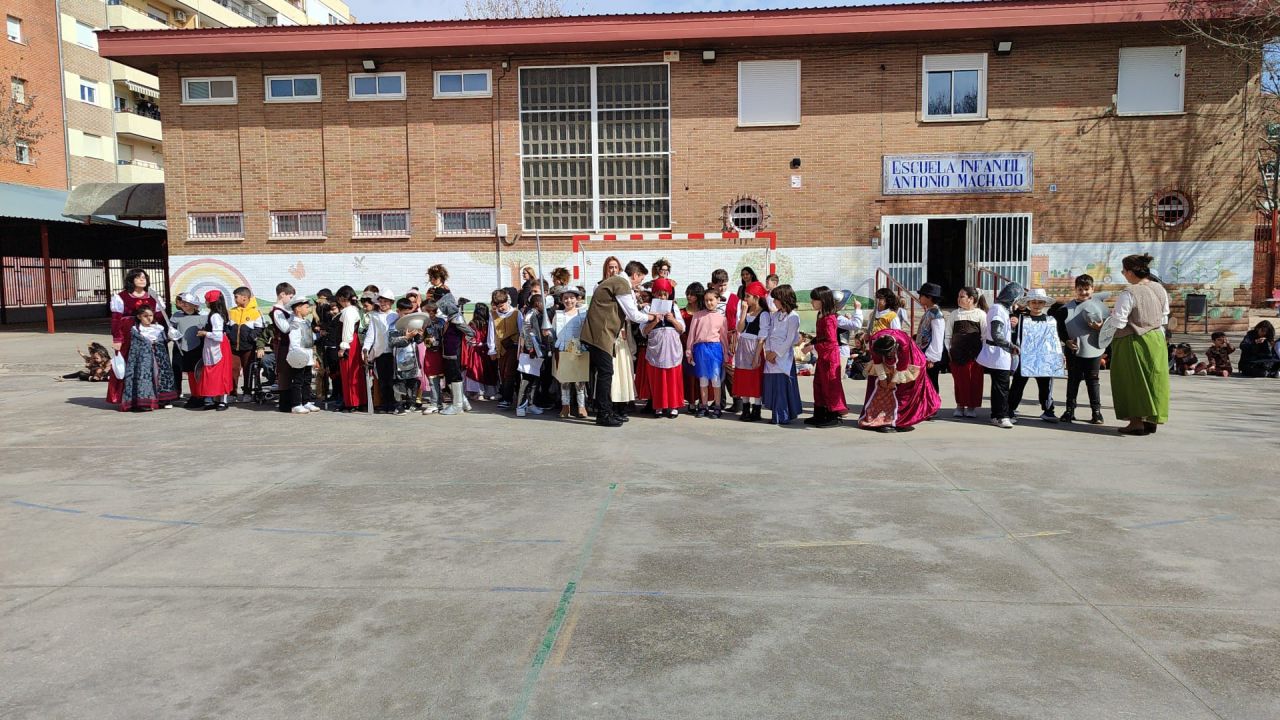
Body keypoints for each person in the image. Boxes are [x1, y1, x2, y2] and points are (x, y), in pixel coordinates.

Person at [582, 260, 653, 427]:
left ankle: (607, 411)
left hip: (600, 334)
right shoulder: (621, 284)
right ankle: (603, 414)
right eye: (640, 279)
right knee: (606, 373)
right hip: (600, 335)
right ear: (635, 275)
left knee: (606, 373)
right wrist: (651, 316)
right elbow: (633, 315)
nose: (639, 283)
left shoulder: (615, 282)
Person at [1105, 253, 1170, 436]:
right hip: (1157, 338)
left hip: (1133, 340)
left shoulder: (1129, 292)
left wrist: (1104, 326)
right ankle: (1152, 420)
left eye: (1124, 270)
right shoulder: (1159, 289)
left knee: (1132, 381)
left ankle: (1136, 422)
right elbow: (1164, 315)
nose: (1123, 274)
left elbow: (1118, 321)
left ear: (1131, 272)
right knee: (1154, 379)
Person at [857, 329, 941, 432]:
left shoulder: (903, 343)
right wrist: (883, 378)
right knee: (877, 384)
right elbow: (877, 361)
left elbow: (902, 366)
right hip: (888, 356)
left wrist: (892, 382)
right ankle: (879, 418)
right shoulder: (874, 341)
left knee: (904, 388)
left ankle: (899, 420)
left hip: (910, 358)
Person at [107, 268, 168, 408]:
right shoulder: (121, 297)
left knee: (152, 366)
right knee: (129, 366)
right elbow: (116, 320)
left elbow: (160, 318)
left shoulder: (153, 297)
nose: (142, 279)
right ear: (131, 280)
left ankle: (150, 397)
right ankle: (130, 399)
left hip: (149, 337)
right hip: (128, 336)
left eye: (144, 277)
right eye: (138, 277)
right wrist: (117, 339)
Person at [1008, 288, 1060, 423]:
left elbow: (1054, 339)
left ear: (1044, 304)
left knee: (1046, 385)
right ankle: (1009, 409)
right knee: (1018, 384)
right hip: (1024, 357)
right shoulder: (1021, 319)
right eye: (1033, 302)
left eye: (1040, 302)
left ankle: (1048, 410)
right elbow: (1014, 335)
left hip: (1044, 358)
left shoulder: (1050, 320)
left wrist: (1058, 355)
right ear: (1028, 303)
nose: (1037, 305)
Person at [1059, 274, 1106, 424]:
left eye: (1087, 289)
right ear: (1075, 289)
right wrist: (1066, 341)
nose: (1083, 292)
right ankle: (1069, 410)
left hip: (1094, 349)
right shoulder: (1065, 309)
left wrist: (1101, 328)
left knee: (1093, 380)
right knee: (1073, 380)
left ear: (1092, 289)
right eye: (1080, 289)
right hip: (1074, 350)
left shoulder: (1101, 308)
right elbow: (1060, 329)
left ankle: (1096, 412)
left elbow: (1110, 329)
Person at [978, 282, 1023, 429]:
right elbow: (997, 334)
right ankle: (1001, 416)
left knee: (1000, 385)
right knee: (1002, 386)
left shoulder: (1001, 309)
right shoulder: (998, 310)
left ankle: (998, 414)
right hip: (998, 353)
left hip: (999, 352)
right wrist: (1011, 347)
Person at [118, 305, 178, 412]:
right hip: (144, 360)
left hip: (159, 358)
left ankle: (164, 400)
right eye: (145, 316)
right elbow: (135, 347)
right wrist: (148, 344)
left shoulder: (159, 328)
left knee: (161, 376)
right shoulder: (136, 330)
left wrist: (170, 336)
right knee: (144, 378)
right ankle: (144, 401)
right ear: (139, 316)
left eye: (151, 315)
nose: (149, 318)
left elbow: (164, 341)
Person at [643, 278, 686, 419]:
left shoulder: (674, 308)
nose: (662, 297)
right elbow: (644, 331)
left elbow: (682, 329)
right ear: (654, 294)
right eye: (659, 294)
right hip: (657, 347)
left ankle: (674, 406)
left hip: (672, 348)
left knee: (673, 377)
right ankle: (659, 406)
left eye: (664, 294)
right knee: (658, 378)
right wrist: (654, 320)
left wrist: (673, 319)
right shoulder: (648, 308)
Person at [686, 286, 731, 418]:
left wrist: (726, 354)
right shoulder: (697, 316)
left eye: (711, 300)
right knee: (703, 380)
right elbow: (691, 335)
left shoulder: (721, 318)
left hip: (715, 349)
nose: (709, 303)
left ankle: (717, 406)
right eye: (706, 300)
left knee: (716, 379)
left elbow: (723, 338)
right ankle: (704, 405)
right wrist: (689, 351)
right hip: (700, 349)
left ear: (718, 300)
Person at [806, 285, 847, 428]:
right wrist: (812, 342)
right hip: (823, 357)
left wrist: (813, 346)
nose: (812, 302)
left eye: (814, 300)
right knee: (819, 383)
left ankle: (834, 415)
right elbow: (821, 337)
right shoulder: (821, 315)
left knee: (831, 385)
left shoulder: (830, 318)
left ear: (822, 300)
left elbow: (830, 342)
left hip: (830, 357)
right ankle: (820, 413)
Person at [762, 285, 802, 425]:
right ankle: (775, 414)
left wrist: (776, 354)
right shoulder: (775, 315)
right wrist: (767, 352)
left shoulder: (793, 317)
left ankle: (782, 415)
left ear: (784, 299)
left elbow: (790, 339)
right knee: (773, 386)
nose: (774, 302)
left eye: (776, 299)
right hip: (770, 356)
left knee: (782, 387)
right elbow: (768, 334)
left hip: (783, 357)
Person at [948, 286, 987, 418]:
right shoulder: (955, 314)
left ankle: (971, 407)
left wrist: (982, 353)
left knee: (974, 381)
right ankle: (960, 405)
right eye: (958, 296)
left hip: (975, 355)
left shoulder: (980, 314)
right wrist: (949, 350)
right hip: (957, 354)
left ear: (971, 299)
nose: (959, 299)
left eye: (962, 296)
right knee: (959, 381)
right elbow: (948, 335)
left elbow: (985, 336)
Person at [437, 290, 477, 416]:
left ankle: (457, 405)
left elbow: (470, 332)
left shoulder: (455, 317)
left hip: (454, 352)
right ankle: (463, 402)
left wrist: (469, 339)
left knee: (455, 377)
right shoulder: (451, 317)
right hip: (449, 352)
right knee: (451, 377)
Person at [553, 286, 590, 418]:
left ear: (577, 299)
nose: (569, 300)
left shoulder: (582, 314)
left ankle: (581, 406)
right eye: (566, 298)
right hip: (563, 348)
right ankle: (565, 406)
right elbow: (552, 331)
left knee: (579, 380)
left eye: (572, 297)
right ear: (562, 300)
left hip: (577, 347)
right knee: (564, 380)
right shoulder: (558, 315)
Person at [733, 281, 768, 422]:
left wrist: (757, 356)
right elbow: (740, 329)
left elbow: (762, 337)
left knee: (755, 378)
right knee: (744, 378)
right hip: (742, 348)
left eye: (748, 296)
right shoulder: (746, 312)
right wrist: (743, 313)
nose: (745, 299)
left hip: (754, 348)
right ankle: (746, 407)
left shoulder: (764, 315)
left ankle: (757, 409)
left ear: (757, 297)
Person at [193, 290, 234, 410]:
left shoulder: (215, 316)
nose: (205, 302)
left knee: (219, 372)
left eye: (207, 300)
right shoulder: (219, 314)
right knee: (218, 372)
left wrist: (204, 333)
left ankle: (223, 400)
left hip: (218, 347)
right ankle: (218, 399)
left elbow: (218, 335)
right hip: (215, 346)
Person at [387, 297, 424, 416]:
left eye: (410, 313)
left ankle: (410, 403)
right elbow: (392, 342)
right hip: (399, 360)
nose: (408, 316)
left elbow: (418, 341)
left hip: (412, 358)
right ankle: (399, 405)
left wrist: (420, 335)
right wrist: (406, 337)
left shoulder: (413, 324)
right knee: (399, 383)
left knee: (412, 382)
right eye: (405, 313)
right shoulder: (394, 326)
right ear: (398, 311)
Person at [227, 286, 265, 403]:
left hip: (248, 347)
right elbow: (227, 327)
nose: (234, 299)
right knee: (233, 370)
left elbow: (259, 328)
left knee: (248, 370)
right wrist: (229, 336)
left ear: (244, 298)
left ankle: (247, 392)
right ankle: (232, 393)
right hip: (233, 347)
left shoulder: (255, 312)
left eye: (236, 297)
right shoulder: (231, 311)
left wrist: (250, 337)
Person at [168, 291, 205, 406]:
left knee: (197, 372)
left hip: (197, 348)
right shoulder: (176, 316)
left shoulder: (203, 317)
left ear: (195, 305)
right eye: (183, 302)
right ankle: (193, 394)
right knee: (187, 373)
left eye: (187, 303)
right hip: (180, 348)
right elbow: (170, 330)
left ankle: (200, 395)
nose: (184, 304)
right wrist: (171, 333)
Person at [515, 290, 548, 417]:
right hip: (529, 353)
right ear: (537, 303)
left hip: (537, 352)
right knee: (527, 380)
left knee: (535, 380)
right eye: (543, 302)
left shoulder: (538, 314)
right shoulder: (530, 315)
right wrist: (530, 349)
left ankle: (530, 404)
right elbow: (527, 333)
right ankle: (521, 406)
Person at [362, 291, 396, 413]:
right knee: (383, 380)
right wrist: (365, 349)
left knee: (392, 380)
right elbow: (371, 335)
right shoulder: (374, 316)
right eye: (381, 301)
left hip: (393, 352)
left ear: (391, 303)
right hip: (380, 352)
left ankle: (393, 404)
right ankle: (385, 404)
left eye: (386, 301)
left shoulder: (395, 316)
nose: (383, 304)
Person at [286, 297, 320, 414]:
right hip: (299, 357)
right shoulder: (294, 324)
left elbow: (310, 338)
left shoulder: (306, 322)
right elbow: (295, 342)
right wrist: (299, 355)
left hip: (308, 355)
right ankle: (296, 404)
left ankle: (306, 401)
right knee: (298, 381)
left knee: (307, 380)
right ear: (298, 309)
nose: (308, 309)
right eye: (306, 307)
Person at [334, 286, 366, 412]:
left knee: (349, 373)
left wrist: (343, 347)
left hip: (349, 343)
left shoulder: (348, 311)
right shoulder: (354, 309)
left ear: (342, 298)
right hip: (353, 343)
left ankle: (352, 402)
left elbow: (347, 330)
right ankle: (358, 400)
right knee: (354, 373)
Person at [488, 289, 520, 408]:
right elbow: (491, 332)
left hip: (513, 347)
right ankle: (506, 396)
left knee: (509, 373)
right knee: (502, 373)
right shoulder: (493, 314)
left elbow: (521, 331)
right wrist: (491, 348)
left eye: (502, 305)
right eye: (498, 306)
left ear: (507, 301)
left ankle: (507, 399)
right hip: (500, 349)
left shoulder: (516, 313)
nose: (500, 308)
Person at [268, 282, 297, 413]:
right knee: (284, 373)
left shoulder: (286, 310)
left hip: (290, 344)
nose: (291, 300)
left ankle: (292, 401)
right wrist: (295, 318)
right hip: (283, 345)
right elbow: (285, 328)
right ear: (282, 294)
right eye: (290, 297)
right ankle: (285, 404)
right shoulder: (277, 311)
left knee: (291, 372)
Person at [463, 303, 499, 400]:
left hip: (476, 351)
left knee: (476, 370)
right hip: (488, 350)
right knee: (488, 371)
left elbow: (469, 338)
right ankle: (489, 392)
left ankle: (477, 392)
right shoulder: (489, 323)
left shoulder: (472, 324)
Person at [915, 283, 946, 396]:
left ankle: (933, 407)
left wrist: (932, 358)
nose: (919, 298)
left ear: (929, 297)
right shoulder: (930, 312)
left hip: (930, 355)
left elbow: (938, 337)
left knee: (931, 382)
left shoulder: (936, 314)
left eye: (922, 295)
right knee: (925, 382)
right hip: (923, 353)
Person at [681, 282, 705, 412]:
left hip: (702, 347)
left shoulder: (704, 312)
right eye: (688, 294)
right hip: (686, 346)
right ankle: (690, 402)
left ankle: (703, 401)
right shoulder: (682, 312)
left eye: (692, 294)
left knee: (702, 375)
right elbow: (681, 331)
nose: (689, 297)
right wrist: (687, 344)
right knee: (689, 376)